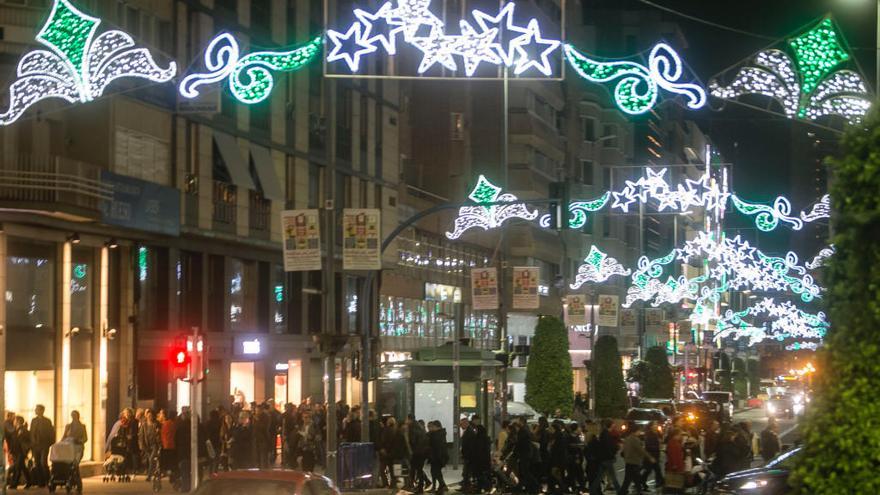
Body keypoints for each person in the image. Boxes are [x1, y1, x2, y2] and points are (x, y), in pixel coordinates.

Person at [618, 425, 653, 495]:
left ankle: (634, 491)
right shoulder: (635, 439)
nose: (640, 432)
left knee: (631, 479)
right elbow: (641, 450)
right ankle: (624, 492)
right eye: (639, 431)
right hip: (634, 461)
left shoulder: (627, 439)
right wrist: (649, 457)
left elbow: (623, 451)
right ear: (636, 431)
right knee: (632, 478)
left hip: (628, 461)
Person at [589, 419, 620, 494]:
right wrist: (613, 453)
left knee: (600, 477)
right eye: (613, 423)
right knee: (613, 476)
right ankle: (620, 491)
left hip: (605, 458)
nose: (614, 425)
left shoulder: (605, 433)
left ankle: (592, 490)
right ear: (610, 425)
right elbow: (608, 447)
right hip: (607, 458)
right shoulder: (606, 434)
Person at [61, 411, 87, 494]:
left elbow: (85, 438)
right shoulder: (68, 426)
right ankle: (70, 481)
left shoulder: (82, 426)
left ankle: (77, 483)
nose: (73, 417)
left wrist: (79, 440)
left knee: (75, 465)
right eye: (72, 415)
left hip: (78, 449)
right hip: (69, 449)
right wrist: (60, 444)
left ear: (78, 416)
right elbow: (64, 436)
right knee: (70, 466)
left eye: (74, 415)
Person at [30, 404, 54, 487]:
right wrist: (32, 444)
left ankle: (48, 480)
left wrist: (50, 443)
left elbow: (51, 432)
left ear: (42, 411)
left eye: (37, 409)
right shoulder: (33, 420)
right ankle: (40, 482)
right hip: (35, 445)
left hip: (44, 445)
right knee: (37, 463)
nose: (35, 410)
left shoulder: (47, 421)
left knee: (43, 462)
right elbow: (31, 432)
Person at [8, 416, 32, 489]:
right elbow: (14, 442)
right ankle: (29, 481)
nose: (14, 422)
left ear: (18, 421)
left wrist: (26, 451)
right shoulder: (16, 430)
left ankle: (14, 483)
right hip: (16, 451)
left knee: (17, 467)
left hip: (21, 452)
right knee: (22, 467)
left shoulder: (23, 430)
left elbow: (25, 442)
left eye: (15, 420)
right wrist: (11, 451)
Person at [640, 421, 664, 491]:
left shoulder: (657, 433)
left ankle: (659, 483)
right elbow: (648, 446)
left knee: (655, 470)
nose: (656, 426)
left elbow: (660, 441)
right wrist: (657, 447)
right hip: (650, 455)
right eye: (654, 424)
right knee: (650, 470)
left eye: (656, 424)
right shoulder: (649, 434)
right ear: (651, 426)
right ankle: (641, 482)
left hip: (655, 455)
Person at [138, 409, 161, 481]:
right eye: (149, 415)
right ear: (146, 416)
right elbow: (141, 436)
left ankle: (149, 476)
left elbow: (159, 434)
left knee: (151, 459)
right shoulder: (144, 425)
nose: (150, 417)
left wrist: (158, 434)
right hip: (147, 445)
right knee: (150, 460)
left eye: (151, 416)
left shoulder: (156, 424)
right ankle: (155, 472)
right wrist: (141, 445)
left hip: (154, 445)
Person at [427, 421, 448, 494]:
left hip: (437, 457)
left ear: (437, 426)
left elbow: (437, 447)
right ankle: (440, 486)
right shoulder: (437, 434)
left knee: (436, 472)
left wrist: (439, 458)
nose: (431, 428)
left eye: (433, 427)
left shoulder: (438, 434)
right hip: (436, 457)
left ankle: (442, 486)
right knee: (435, 472)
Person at [664, 428, 686, 495]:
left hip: (677, 465)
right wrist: (675, 465)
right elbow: (673, 455)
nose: (681, 436)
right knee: (676, 483)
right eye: (680, 435)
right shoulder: (672, 443)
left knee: (677, 484)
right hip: (676, 466)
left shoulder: (674, 442)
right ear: (675, 435)